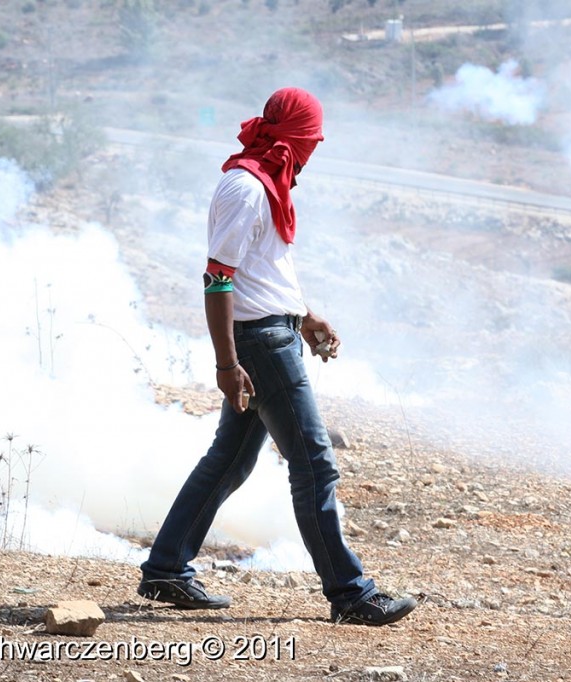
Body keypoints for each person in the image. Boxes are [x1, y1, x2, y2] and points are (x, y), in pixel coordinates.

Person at [137, 87, 417, 626]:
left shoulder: (269, 182)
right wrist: (226, 364)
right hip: (262, 344)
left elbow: (265, 273)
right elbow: (218, 279)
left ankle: (166, 568)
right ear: (292, 137)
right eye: (309, 141)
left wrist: (305, 316)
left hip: (274, 333)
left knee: (231, 460)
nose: (311, 151)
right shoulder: (245, 187)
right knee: (314, 465)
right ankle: (351, 594)